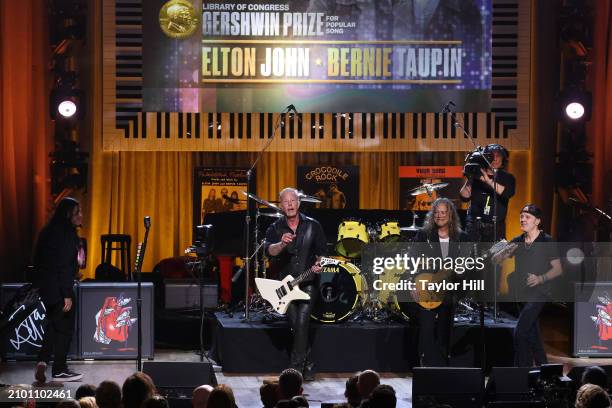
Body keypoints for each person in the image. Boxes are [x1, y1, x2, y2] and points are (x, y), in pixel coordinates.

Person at [265, 188, 327, 381]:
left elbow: (322, 254)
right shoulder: (275, 228)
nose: (290, 204)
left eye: (293, 200)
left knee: (302, 322)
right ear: (281, 205)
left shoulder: (313, 226)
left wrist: (319, 265)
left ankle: (294, 371)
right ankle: (308, 365)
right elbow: (270, 252)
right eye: (286, 201)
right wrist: (281, 244)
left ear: (299, 204)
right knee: (296, 326)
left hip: (308, 282)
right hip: (285, 286)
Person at [412, 197, 469, 366]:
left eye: (443, 212)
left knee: (445, 332)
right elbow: (412, 260)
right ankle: (425, 368)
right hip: (426, 288)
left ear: (450, 215)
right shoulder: (424, 235)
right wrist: (411, 284)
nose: (439, 215)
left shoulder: (462, 237)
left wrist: (462, 270)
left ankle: (442, 369)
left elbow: (466, 266)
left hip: (449, 290)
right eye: (436, 212)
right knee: (426, 331)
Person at [32, 197, 83, 382]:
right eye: (78, 212)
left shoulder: (48, 231)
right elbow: (63, 266)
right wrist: (67, 294)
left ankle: (42, 361)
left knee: (54, 325)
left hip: (47, 288)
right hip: (59, 288)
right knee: (65, 329)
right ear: (68, 214)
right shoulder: (66, 234)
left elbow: (38, 261)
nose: (81, 216)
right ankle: (60, 369)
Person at [507, 204, 562, 367]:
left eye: (527, 217)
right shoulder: (517, 241)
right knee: (533, 335)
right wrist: (499, 252)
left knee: (520, 332)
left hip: (539, 293)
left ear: (537, 221)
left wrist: (540, 278)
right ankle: (545, 371)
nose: (523, 219)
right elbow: (498, 258)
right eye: (521, 216)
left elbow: (558, 269)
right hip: (521, 294)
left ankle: (520, 373)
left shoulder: (547, 241)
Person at [460, 144, 515, 241]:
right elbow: (464, 197)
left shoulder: (508, 177)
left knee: (496, 255)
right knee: (471, 255)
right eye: (491, 156)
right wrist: (470, 178)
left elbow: (508, 193)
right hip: (474, 226)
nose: (494, 159)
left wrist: (488, 181)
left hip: (495, 227)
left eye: (498, 156)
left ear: (503, 159)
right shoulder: (477, 175)